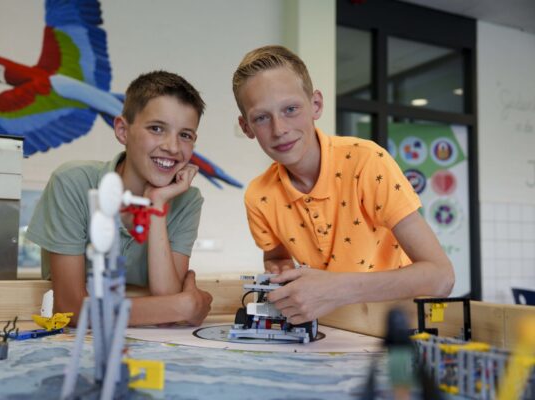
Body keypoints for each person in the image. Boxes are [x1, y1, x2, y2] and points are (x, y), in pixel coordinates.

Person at [232, 45, 454, 324]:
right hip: (334, 328)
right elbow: (276, 256)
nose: (280, 129)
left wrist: (334, 289)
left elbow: (441, 276)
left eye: (290, 109)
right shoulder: (259, 195)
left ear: (316, 105)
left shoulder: (367, 162)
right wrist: (281, 272)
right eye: (261, 118)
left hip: (400, 324)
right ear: (246, 127)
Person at [27, 71, 212, 326]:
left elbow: (166, 301)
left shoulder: (186, 200)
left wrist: (156, 203)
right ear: (123, 131)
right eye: (156, 128)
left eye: (185, 135)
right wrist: (184, 306)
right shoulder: (73, 182)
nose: (172, 147)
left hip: (145, 338)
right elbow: (70, 307)